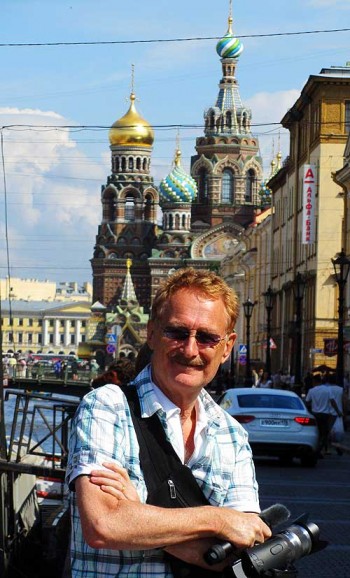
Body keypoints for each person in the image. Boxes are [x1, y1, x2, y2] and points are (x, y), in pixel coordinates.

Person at [66, 268, 271, 577]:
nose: (190, 350)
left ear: (227, 347)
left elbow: (243, 552)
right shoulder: (108, 406)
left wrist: (139, 513)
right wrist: (217, 520)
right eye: (176, 332)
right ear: (151, 333)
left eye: (206, 337)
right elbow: (104, 526)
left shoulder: (231, 435)